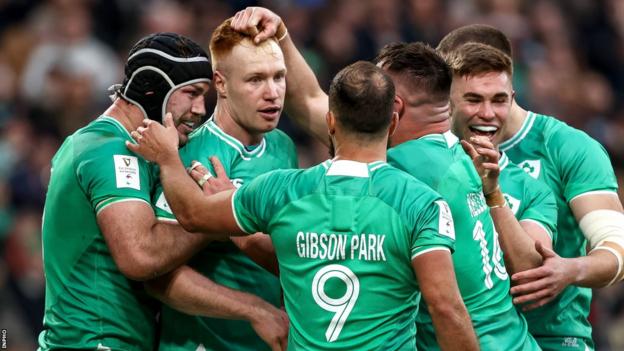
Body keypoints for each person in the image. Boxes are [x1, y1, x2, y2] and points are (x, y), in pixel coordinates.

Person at [228, 7, 541, 350]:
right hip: (515, 339)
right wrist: (283, 36)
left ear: (394, 108)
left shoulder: (399, 172)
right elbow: (314, 102)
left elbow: (311, 256)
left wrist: (237, 225)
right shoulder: (458, 154)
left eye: (377, 91)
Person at [128, 60, 478, 351]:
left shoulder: (279, 191)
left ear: (330, 122)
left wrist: (169, 160)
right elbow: (446, 309)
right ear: (393, 122)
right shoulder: (421, 204)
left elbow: (191, 215)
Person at [38, 32, 283, 350]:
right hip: (92, 341)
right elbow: (141, 256)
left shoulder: (129, 148)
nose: (200, 109)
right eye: (192, 93)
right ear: (153, 90)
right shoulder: (110, 150)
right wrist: (220, 215)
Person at [438, 25, 624, 351]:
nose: (484, 111)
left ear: (507, 81)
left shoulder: (566, 147)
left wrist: (571, 269)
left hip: (551, 338)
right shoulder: (433, 152)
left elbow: (618, 245)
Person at [146, 19, 297, 351]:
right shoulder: (194, 155)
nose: (272, 92)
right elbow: (157, 275)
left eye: (278, 77)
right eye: (255, 79)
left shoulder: (283, 145)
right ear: (221, 84)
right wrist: (253, 311)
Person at [446, 42, 558, 276]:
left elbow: (530, 269)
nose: (488, 114)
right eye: (473, 100)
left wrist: (493, 195)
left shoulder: (534, 191)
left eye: (498, 100)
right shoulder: (414, 169)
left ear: (512, 100)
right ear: (448, 103)